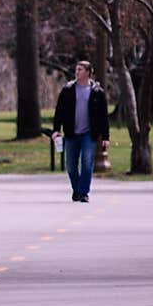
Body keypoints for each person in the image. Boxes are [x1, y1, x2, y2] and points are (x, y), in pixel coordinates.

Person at [52, 60, 110, 203]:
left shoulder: (97, 92)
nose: (77, 72)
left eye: (80, 70)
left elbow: (103, 116)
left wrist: (105, 136)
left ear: (88, 72)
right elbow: (59, 111)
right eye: (76, 69)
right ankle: (76, 189)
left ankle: (84, 192)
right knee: (71, 165)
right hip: (71, 132)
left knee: (87, 161)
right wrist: (56, 130)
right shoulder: (68, 90)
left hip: (89, 134)